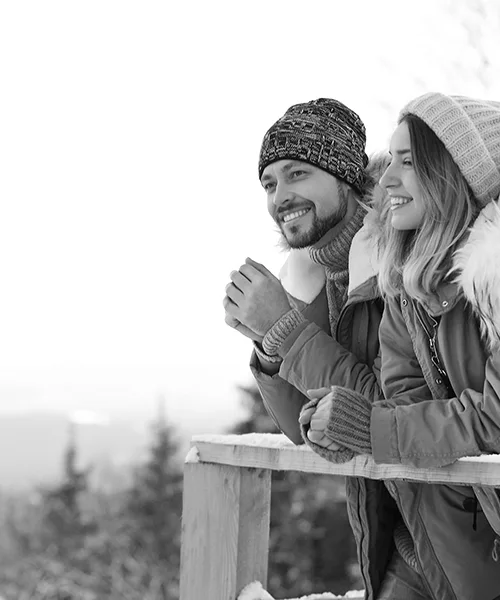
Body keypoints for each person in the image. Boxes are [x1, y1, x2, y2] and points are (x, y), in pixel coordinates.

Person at [300, 92, 500, 599]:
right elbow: (408, 408)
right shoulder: (409, 290)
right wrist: (346, 420)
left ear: (454, 174)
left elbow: (495, 420)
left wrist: (370, 426)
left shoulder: (493, 279)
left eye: (407, 163)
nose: (386, 179)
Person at [223, 98, 396, 599]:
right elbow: (305, 427)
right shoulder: (314, 277)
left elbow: (384, 410)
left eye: (297, 173)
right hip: (389, 538)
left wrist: (284, 327)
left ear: (345, 177)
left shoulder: (399, 260)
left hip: (456, 534)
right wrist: (269, 346)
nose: (281, 196)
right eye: (270, 183)